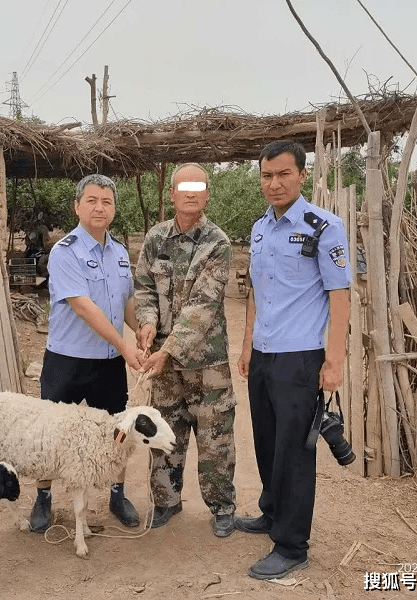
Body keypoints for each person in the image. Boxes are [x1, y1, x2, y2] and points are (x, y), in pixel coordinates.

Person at [235, 140, 351, 579]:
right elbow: (255, 292)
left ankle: (291, 544)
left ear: (302, 175)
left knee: (294, 452)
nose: (274, 183)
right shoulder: (259, 227)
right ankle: (271, 512)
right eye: (266, 175)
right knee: (266, 441)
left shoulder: (324, 226)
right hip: (264, 355)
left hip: (300, 357)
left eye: (283, 174)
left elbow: (340, 297)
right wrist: (247, 345)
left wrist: (334, 360)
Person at [30, 174, 145, 533]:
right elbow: (84, 306)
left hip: (108, 363)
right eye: (92, 200)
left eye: (106, 201)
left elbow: (125, 301)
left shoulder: (121, 253)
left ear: (114, 209)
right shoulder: (65, 252)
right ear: (77, 206)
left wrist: (139, 330)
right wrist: (125, 345)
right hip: (68, 360)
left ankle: (116, 493)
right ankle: (43, 499)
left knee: (118, 430)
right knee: (50, 432)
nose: (99, 207)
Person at [134, 162, 237, 538]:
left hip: (207, 364)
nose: (191, 192)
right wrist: (146, 322)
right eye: (183, 187)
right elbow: (143, 288)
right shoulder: (155, 238)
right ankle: (166, 501)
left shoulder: (218, 244)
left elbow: (203, 307)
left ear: (208, 194)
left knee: (216, 439)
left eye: (199, 186)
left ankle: (222, 507)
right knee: (164, 432)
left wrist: (168, 348)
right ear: (171, 195)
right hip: (163, 365)